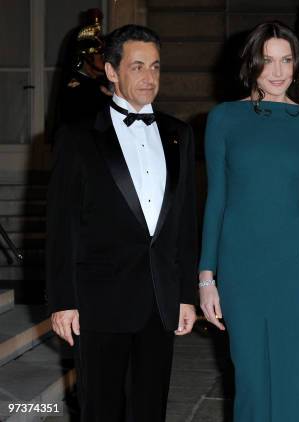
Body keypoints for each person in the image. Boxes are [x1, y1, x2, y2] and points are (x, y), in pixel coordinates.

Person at [46, 24, 198, 422]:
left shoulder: (179, 134)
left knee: (151, 410)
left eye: (155, 67)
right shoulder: (77, 138)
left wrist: (186, 294)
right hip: (98, 301)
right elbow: (62, 225)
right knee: (100, 409)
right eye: (137, 67)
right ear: (112, 72)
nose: (149, 77)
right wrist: (63, 300)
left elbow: (183, 221)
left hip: (158, 299)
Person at [198, 21, 299, 422]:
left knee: (292, 380)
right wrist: (207, 277)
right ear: (251, 64)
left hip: (296, 268)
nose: (277, 71)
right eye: (267, 60)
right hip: (240, 266)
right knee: (251, 378)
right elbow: (216, 200)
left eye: (286, 60)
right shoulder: (223, 118)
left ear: (297, 66)